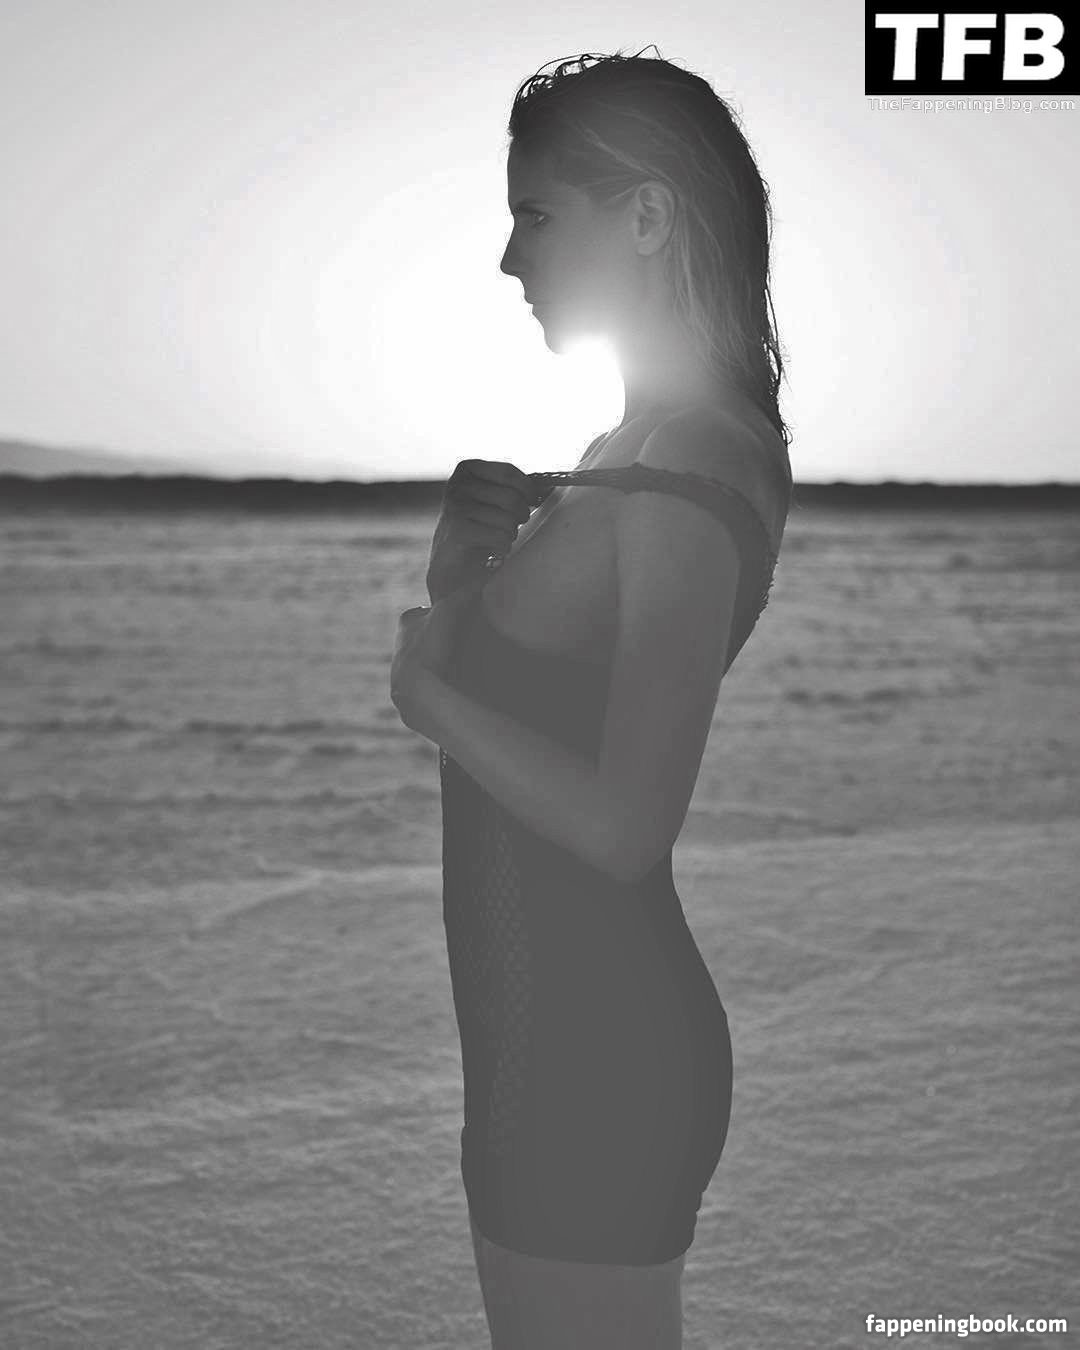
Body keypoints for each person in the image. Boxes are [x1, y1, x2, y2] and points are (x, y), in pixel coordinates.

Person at [390, 47, 793, 1350]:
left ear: (648, 215)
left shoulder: (694, 460)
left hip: (595, 1055)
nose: (512, 258)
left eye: (537, 214)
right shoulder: (625, 455)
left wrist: (427, 693)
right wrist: (460, 580)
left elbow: (626, 824)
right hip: (534, 1042)